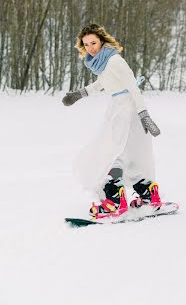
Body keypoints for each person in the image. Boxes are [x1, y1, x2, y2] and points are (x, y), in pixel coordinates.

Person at [62, 23, 162, 219]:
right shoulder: (103, 62)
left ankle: (115, 201)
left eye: (93, 42)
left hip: (126, 108)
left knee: (110, 152)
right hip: (120, 106)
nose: (90, 47)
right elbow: (102, 83)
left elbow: (133, 87)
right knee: (130, 154)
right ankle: (149, 195)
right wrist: (79, 94)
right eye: (86, 44)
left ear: (101, 40)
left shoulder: (114, 60)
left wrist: (144, 114)